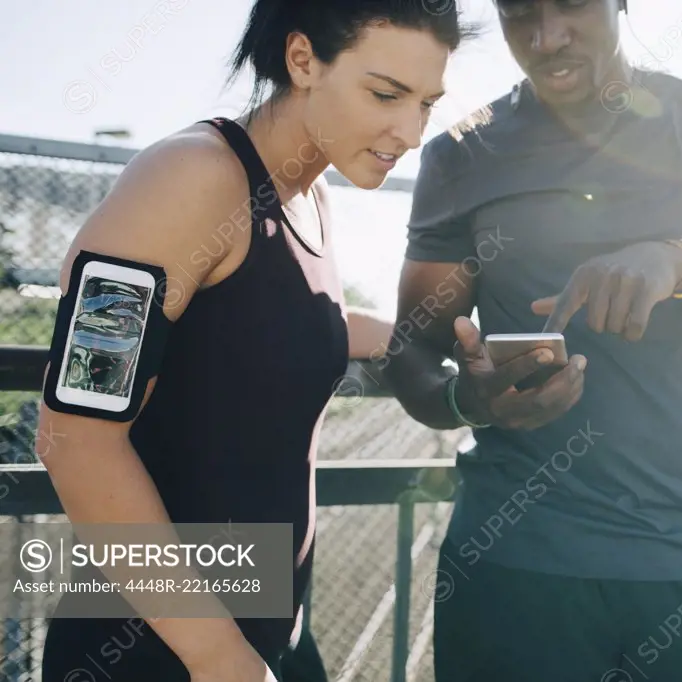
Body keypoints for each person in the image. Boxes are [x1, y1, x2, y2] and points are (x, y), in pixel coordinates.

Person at [382, 1, 682, 681]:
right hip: (513, 563)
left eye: (570, 6)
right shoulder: (461, 151)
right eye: (518, 13)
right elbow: (412, 352)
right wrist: (468, 401)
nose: (545, 38)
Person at [35, 1, 473, 681]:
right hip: (153, 648)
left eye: (425, 103)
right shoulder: (186, 179)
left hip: (271, 630)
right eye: (385, 94)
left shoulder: (310, 196)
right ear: (301, 60)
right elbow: (75, 438)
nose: (410, 131)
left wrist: (408, 341)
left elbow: (261, 327)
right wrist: (217, 656)